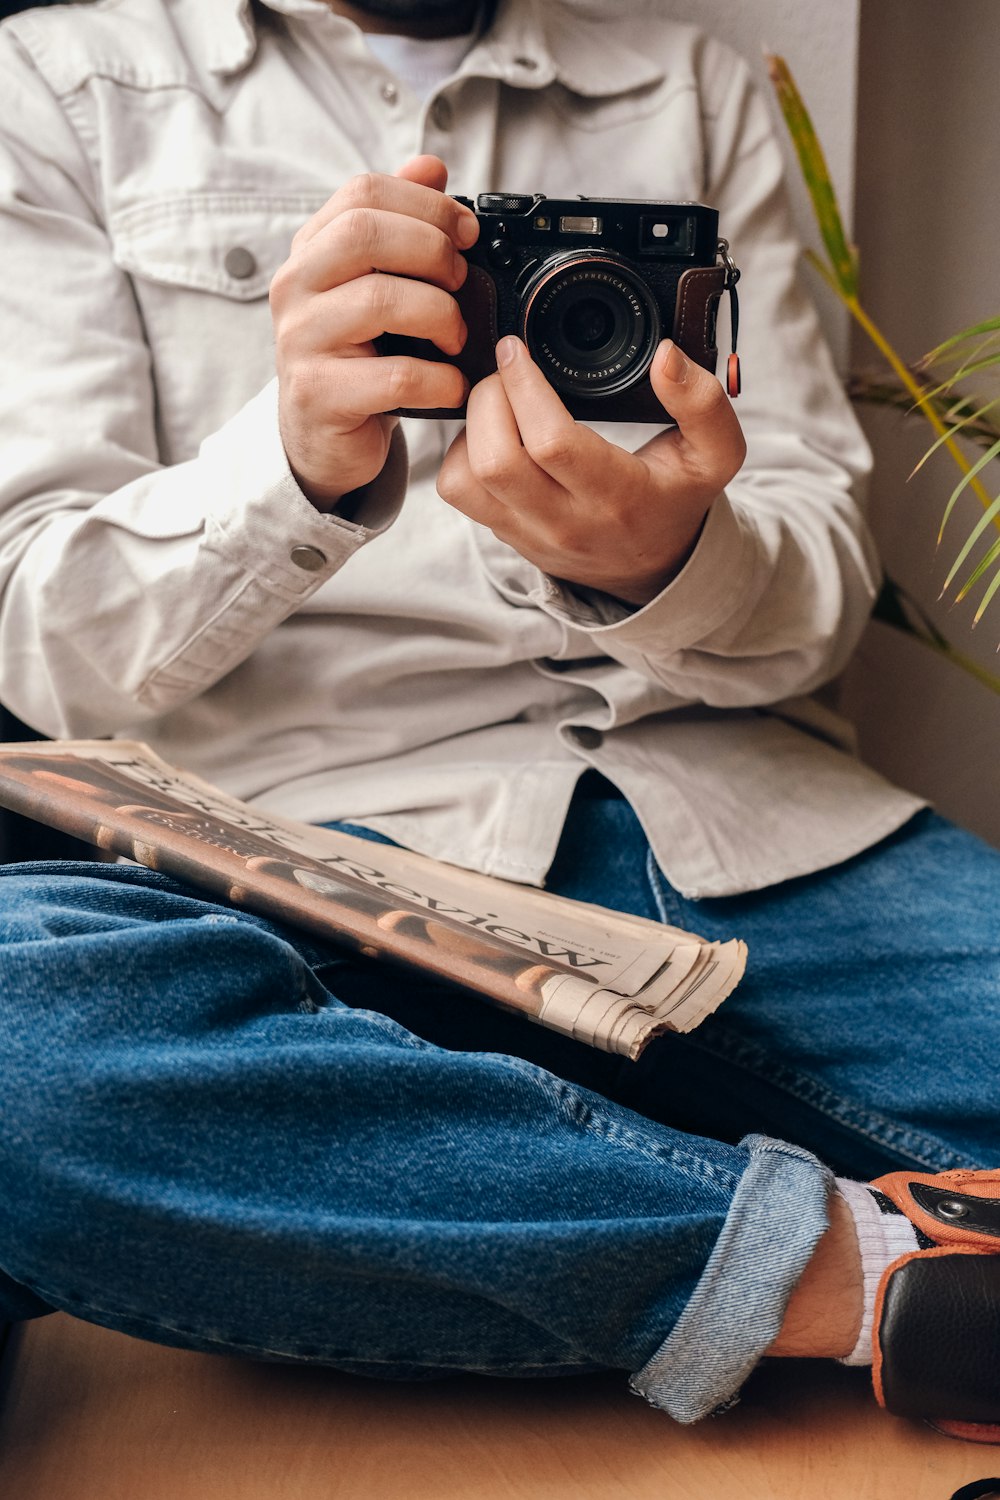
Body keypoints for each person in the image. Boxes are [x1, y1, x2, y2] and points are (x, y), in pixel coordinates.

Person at [0, 0, 998, 1442]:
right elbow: (40, 644)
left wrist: (659, 561)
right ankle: (888, 1275)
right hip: (294, 862)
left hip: (743, 827)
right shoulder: (62, 80)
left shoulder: (694, 85)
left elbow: (821, 594)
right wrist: (288, 468)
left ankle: (531, 1204)